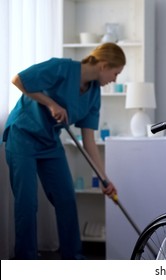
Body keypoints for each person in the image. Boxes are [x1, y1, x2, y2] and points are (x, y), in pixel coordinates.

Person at [3, 42, 124, 259]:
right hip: (23, 135)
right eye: (115, 73)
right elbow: (18, 80)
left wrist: (105, 179)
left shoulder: (94, 94)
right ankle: (26, 261)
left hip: (49, 143)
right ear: (104, 66)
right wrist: (51, 104)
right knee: (27, 204)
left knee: (66, 199)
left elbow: (89, 141)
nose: (115, 79)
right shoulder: (61, 68)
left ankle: (73, 258)